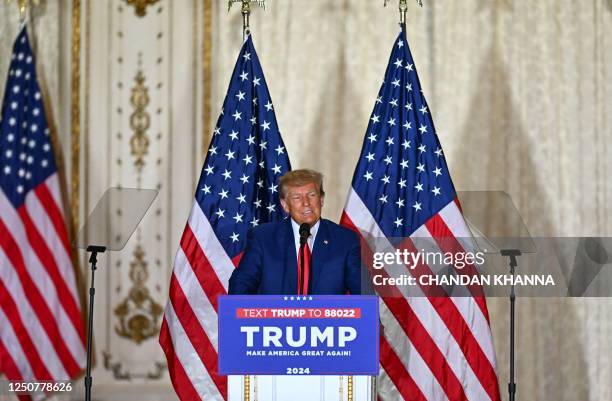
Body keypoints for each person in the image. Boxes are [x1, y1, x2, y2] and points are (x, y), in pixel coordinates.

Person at [228, 169, 361, 295]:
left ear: (321, 200)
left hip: (328, 319)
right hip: (274, 319)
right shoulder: (263, 238)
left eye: (312, 195)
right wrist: (239, 316)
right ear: (285, 205)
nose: (306, 203)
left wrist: (371, 317)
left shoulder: (346, 240)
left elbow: (362, 291)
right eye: (297, 197)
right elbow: (240, 284)